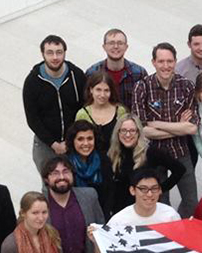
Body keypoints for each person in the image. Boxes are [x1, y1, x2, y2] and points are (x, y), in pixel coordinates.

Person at [133, 42, 200, 218]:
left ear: (175, 62)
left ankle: (181, 226)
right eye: (161, 61)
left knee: (192, 202)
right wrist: (179, 128)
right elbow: (141, 130)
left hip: (181, 151)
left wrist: (157, 124)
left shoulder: (186, 86)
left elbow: (192, 127)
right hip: (154, 155)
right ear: (153, 62)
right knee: (160, 203)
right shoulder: (142, 87)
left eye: (169, 61)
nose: (166, 66)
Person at [23, 35, 87, 174]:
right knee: (50, 183)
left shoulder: (76, 75)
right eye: (50, 52)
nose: (55, 57)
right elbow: (32, 118)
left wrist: (72, 139)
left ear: (65, 52)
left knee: (76, 180)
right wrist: (54, 144)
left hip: (75, 140)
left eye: (59, 52)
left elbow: (84, 108)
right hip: (45, 143)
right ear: (43, 54)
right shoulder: (32, 82)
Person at [42, 157, 105, 253]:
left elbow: (101, 226)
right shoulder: (39, 204)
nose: (61, 177)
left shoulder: (89, 196)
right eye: (55, 173)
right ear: (46, 179)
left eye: (66, 171)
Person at [105, 114, 186, 218]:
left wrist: (160, 189)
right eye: (123, 130)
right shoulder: (113, 154)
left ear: (139, 132)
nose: (128, 135)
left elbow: (180, 169)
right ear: (118, 133)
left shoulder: (151, 152)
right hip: (121, 212)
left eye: (132, 130)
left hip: (146, 211)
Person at [85, 28, 148, 111]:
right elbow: (87, 102)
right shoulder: (92, 73)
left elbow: (145, 104)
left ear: (126, 47)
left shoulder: (139, 73)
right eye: (111, 43)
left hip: (131, 122)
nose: (116, 46)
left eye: (120, 43)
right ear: (104, 47)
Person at [75, 73, 129, 157]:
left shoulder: (120, 111)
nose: (102, 95)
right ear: (91, 90)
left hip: (116, 159)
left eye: (106, 90)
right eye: (98, 90)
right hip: (91, 161)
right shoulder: (82, 114)